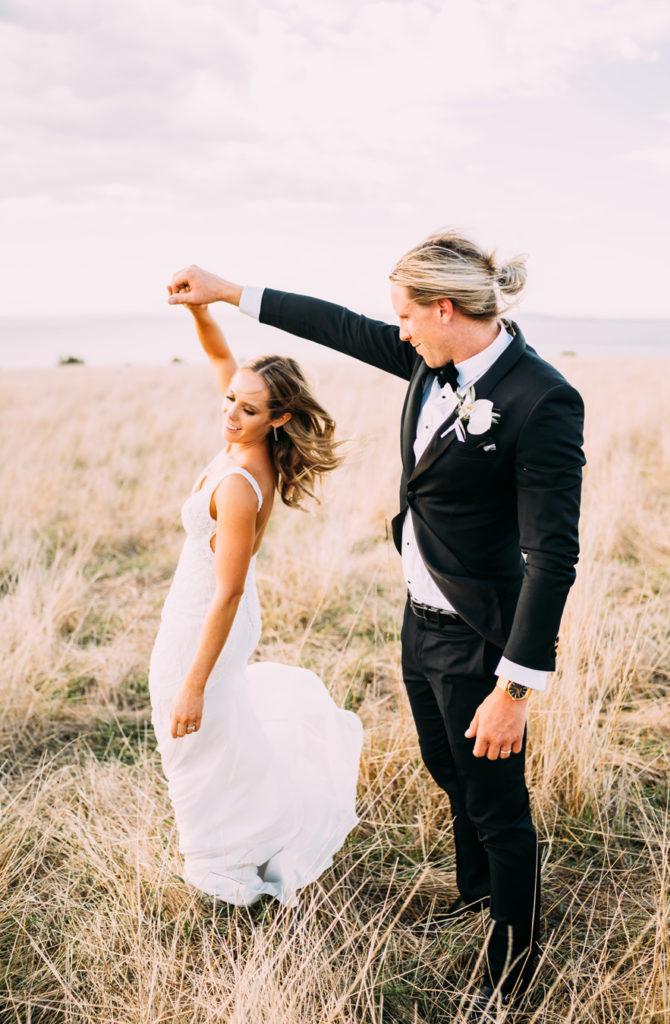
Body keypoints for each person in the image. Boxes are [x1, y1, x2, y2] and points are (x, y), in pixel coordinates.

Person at [167, 229, 585, 1015]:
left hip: (481, 635)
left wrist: (514, 686)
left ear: (443, 308)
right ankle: (474, 898)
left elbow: (553, 557)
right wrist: (228, 291)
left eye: (403, 316)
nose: (393, 330)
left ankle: (512, 967)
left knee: (498, 803)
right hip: (417, 621)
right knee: (445, 770)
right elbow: (332, 324)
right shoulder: (427, 363)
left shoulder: (539, 398)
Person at [148, 292, 363, 909]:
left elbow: (230, 589)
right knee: (207, 736)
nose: (231, 414)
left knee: (189, 728)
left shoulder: (242, 483)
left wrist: (195, 680)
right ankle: (237, 837)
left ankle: (223, 865)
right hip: (195, 609)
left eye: (247, 409)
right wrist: (199, 310)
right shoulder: (243, 443)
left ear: (276, 418)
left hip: (209, 616)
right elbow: (221, 356)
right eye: (229, 402)